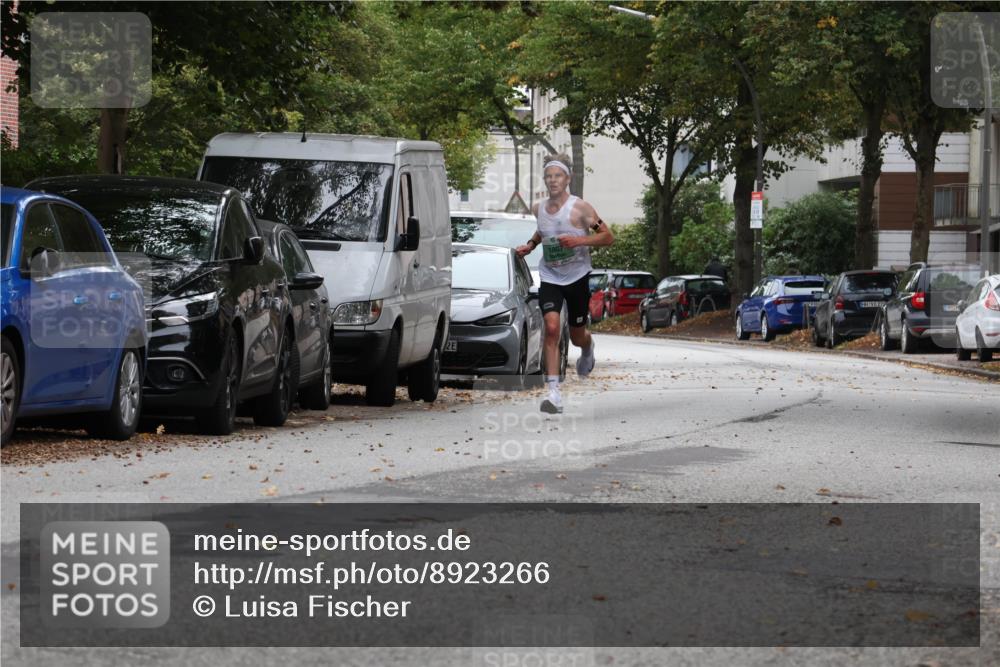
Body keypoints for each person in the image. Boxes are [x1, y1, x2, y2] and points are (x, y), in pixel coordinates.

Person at [516, 153, 614, 414]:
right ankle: (554, 394)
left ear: (567, 178)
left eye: (557, 175)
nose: (553, 180)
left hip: (577, 277)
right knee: (551, 328)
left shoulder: (581, 208)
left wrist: (578, 241)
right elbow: (543, 230)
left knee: (577, 336)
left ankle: (588, 347)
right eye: (548, 176)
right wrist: (531, 245)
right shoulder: (538, 208)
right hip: (550, 276)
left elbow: (607, 236)